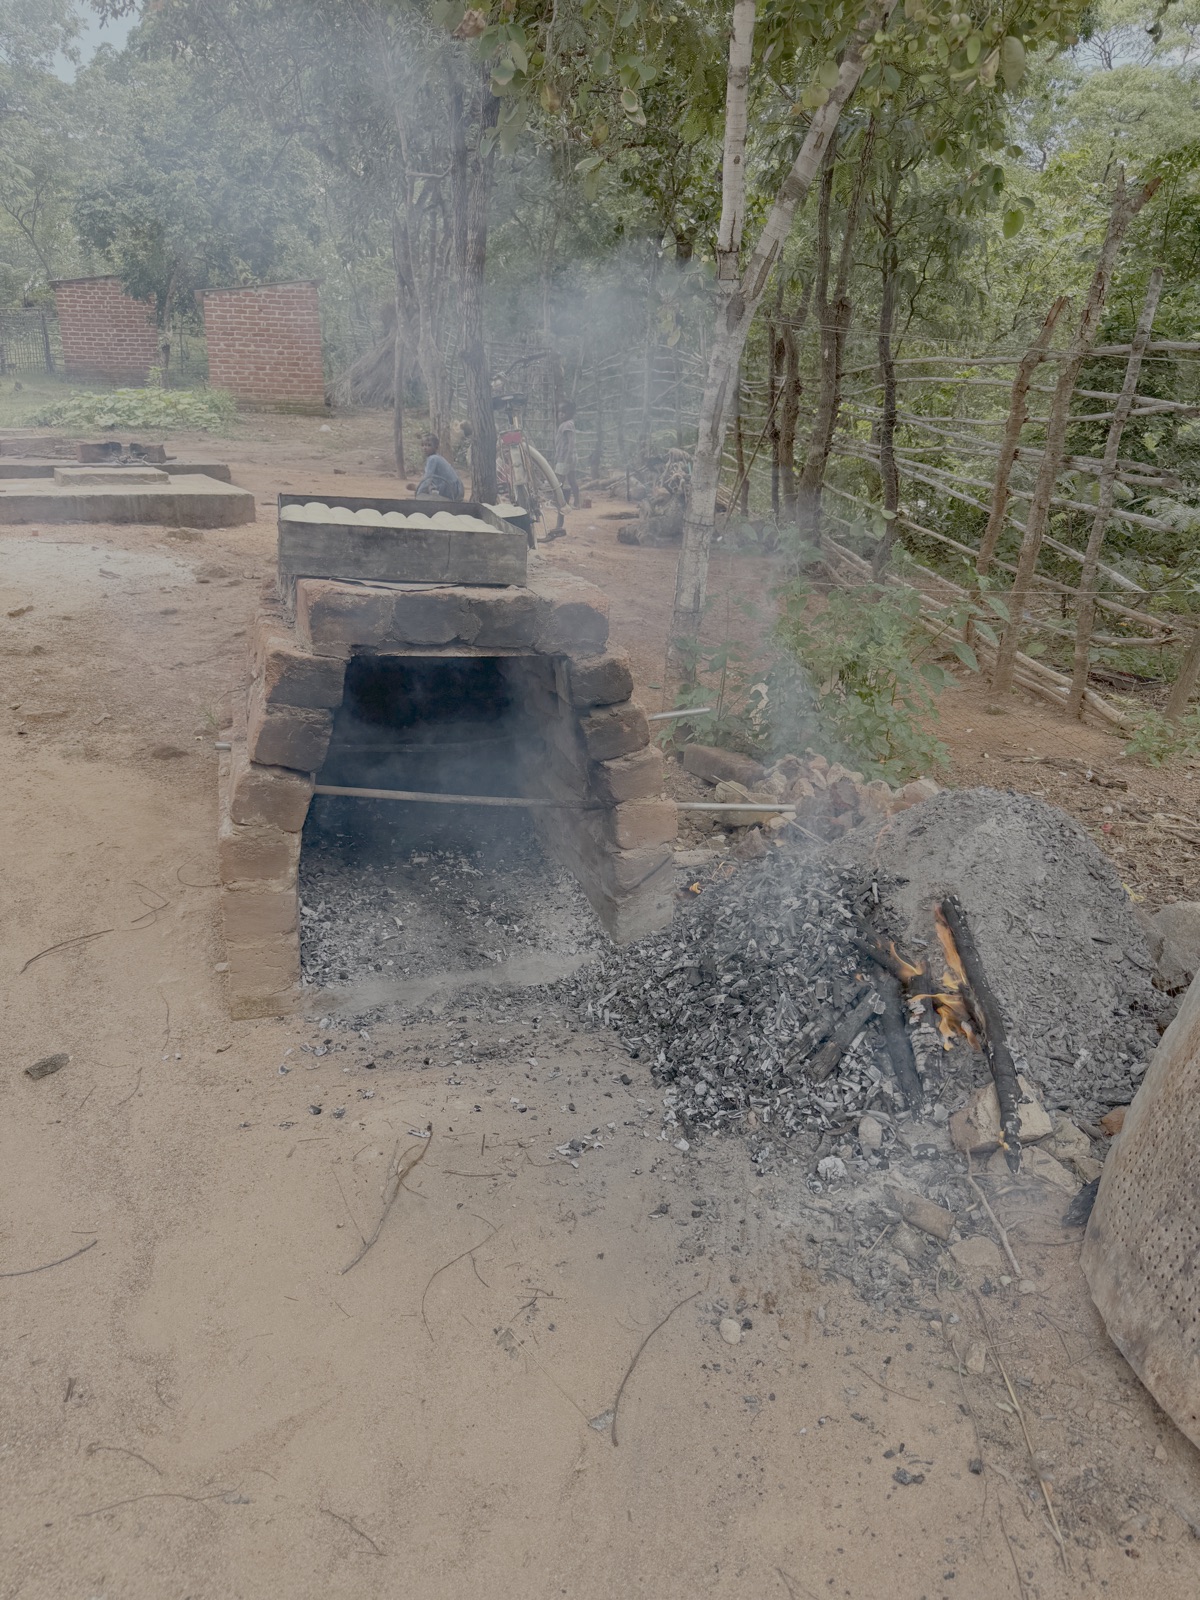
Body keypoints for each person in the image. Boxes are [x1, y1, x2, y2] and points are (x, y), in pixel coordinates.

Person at [414, 434, 464, 500]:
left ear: (436, 447)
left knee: (424, 496)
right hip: (456, 488)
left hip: (450, 490)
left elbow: (427, 479)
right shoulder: (437, 457)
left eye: (429, 445)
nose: (425, 448)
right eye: (423, 445)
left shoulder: (433, 459)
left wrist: (418, 494)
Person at [553, 404, 580, 509]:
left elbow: (571, 442)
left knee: (559, 480)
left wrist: (567, 457)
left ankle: (559, 502)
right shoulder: (566, 424)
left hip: (565, 457)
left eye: (563, 413)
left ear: (569, 414)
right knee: (572, 480)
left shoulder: (567, 425)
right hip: (567, 456)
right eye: (560, 412)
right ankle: (576, 502)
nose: (561, 415)